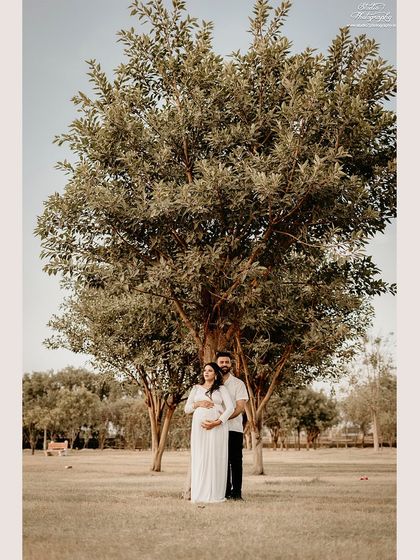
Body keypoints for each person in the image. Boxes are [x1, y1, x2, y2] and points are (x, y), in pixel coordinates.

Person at [184, 362, 234, 503]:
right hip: (199, 429)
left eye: (210, 370)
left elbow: (230, 408)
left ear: (216, 374)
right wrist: (199, 404)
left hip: (218, 428)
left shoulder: (221, 389)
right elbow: (187, 409)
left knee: (215, 457)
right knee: (200, 456)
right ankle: (199, 494)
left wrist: (217, 422)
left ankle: (215, 494)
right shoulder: (196, 388)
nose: (206, 373)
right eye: (205, 370)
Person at [216, 351, 249, 501]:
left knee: (235, 461)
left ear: (231, 364)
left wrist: (222, 419)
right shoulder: (213, 383)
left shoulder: (238, 384)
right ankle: (224, 491)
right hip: (215, 429)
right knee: (220, 461)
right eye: (221, 362)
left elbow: (240, 407)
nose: (224, 365)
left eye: (226, 362)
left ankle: (237, 493)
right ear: (217, 364)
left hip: (234, 428)